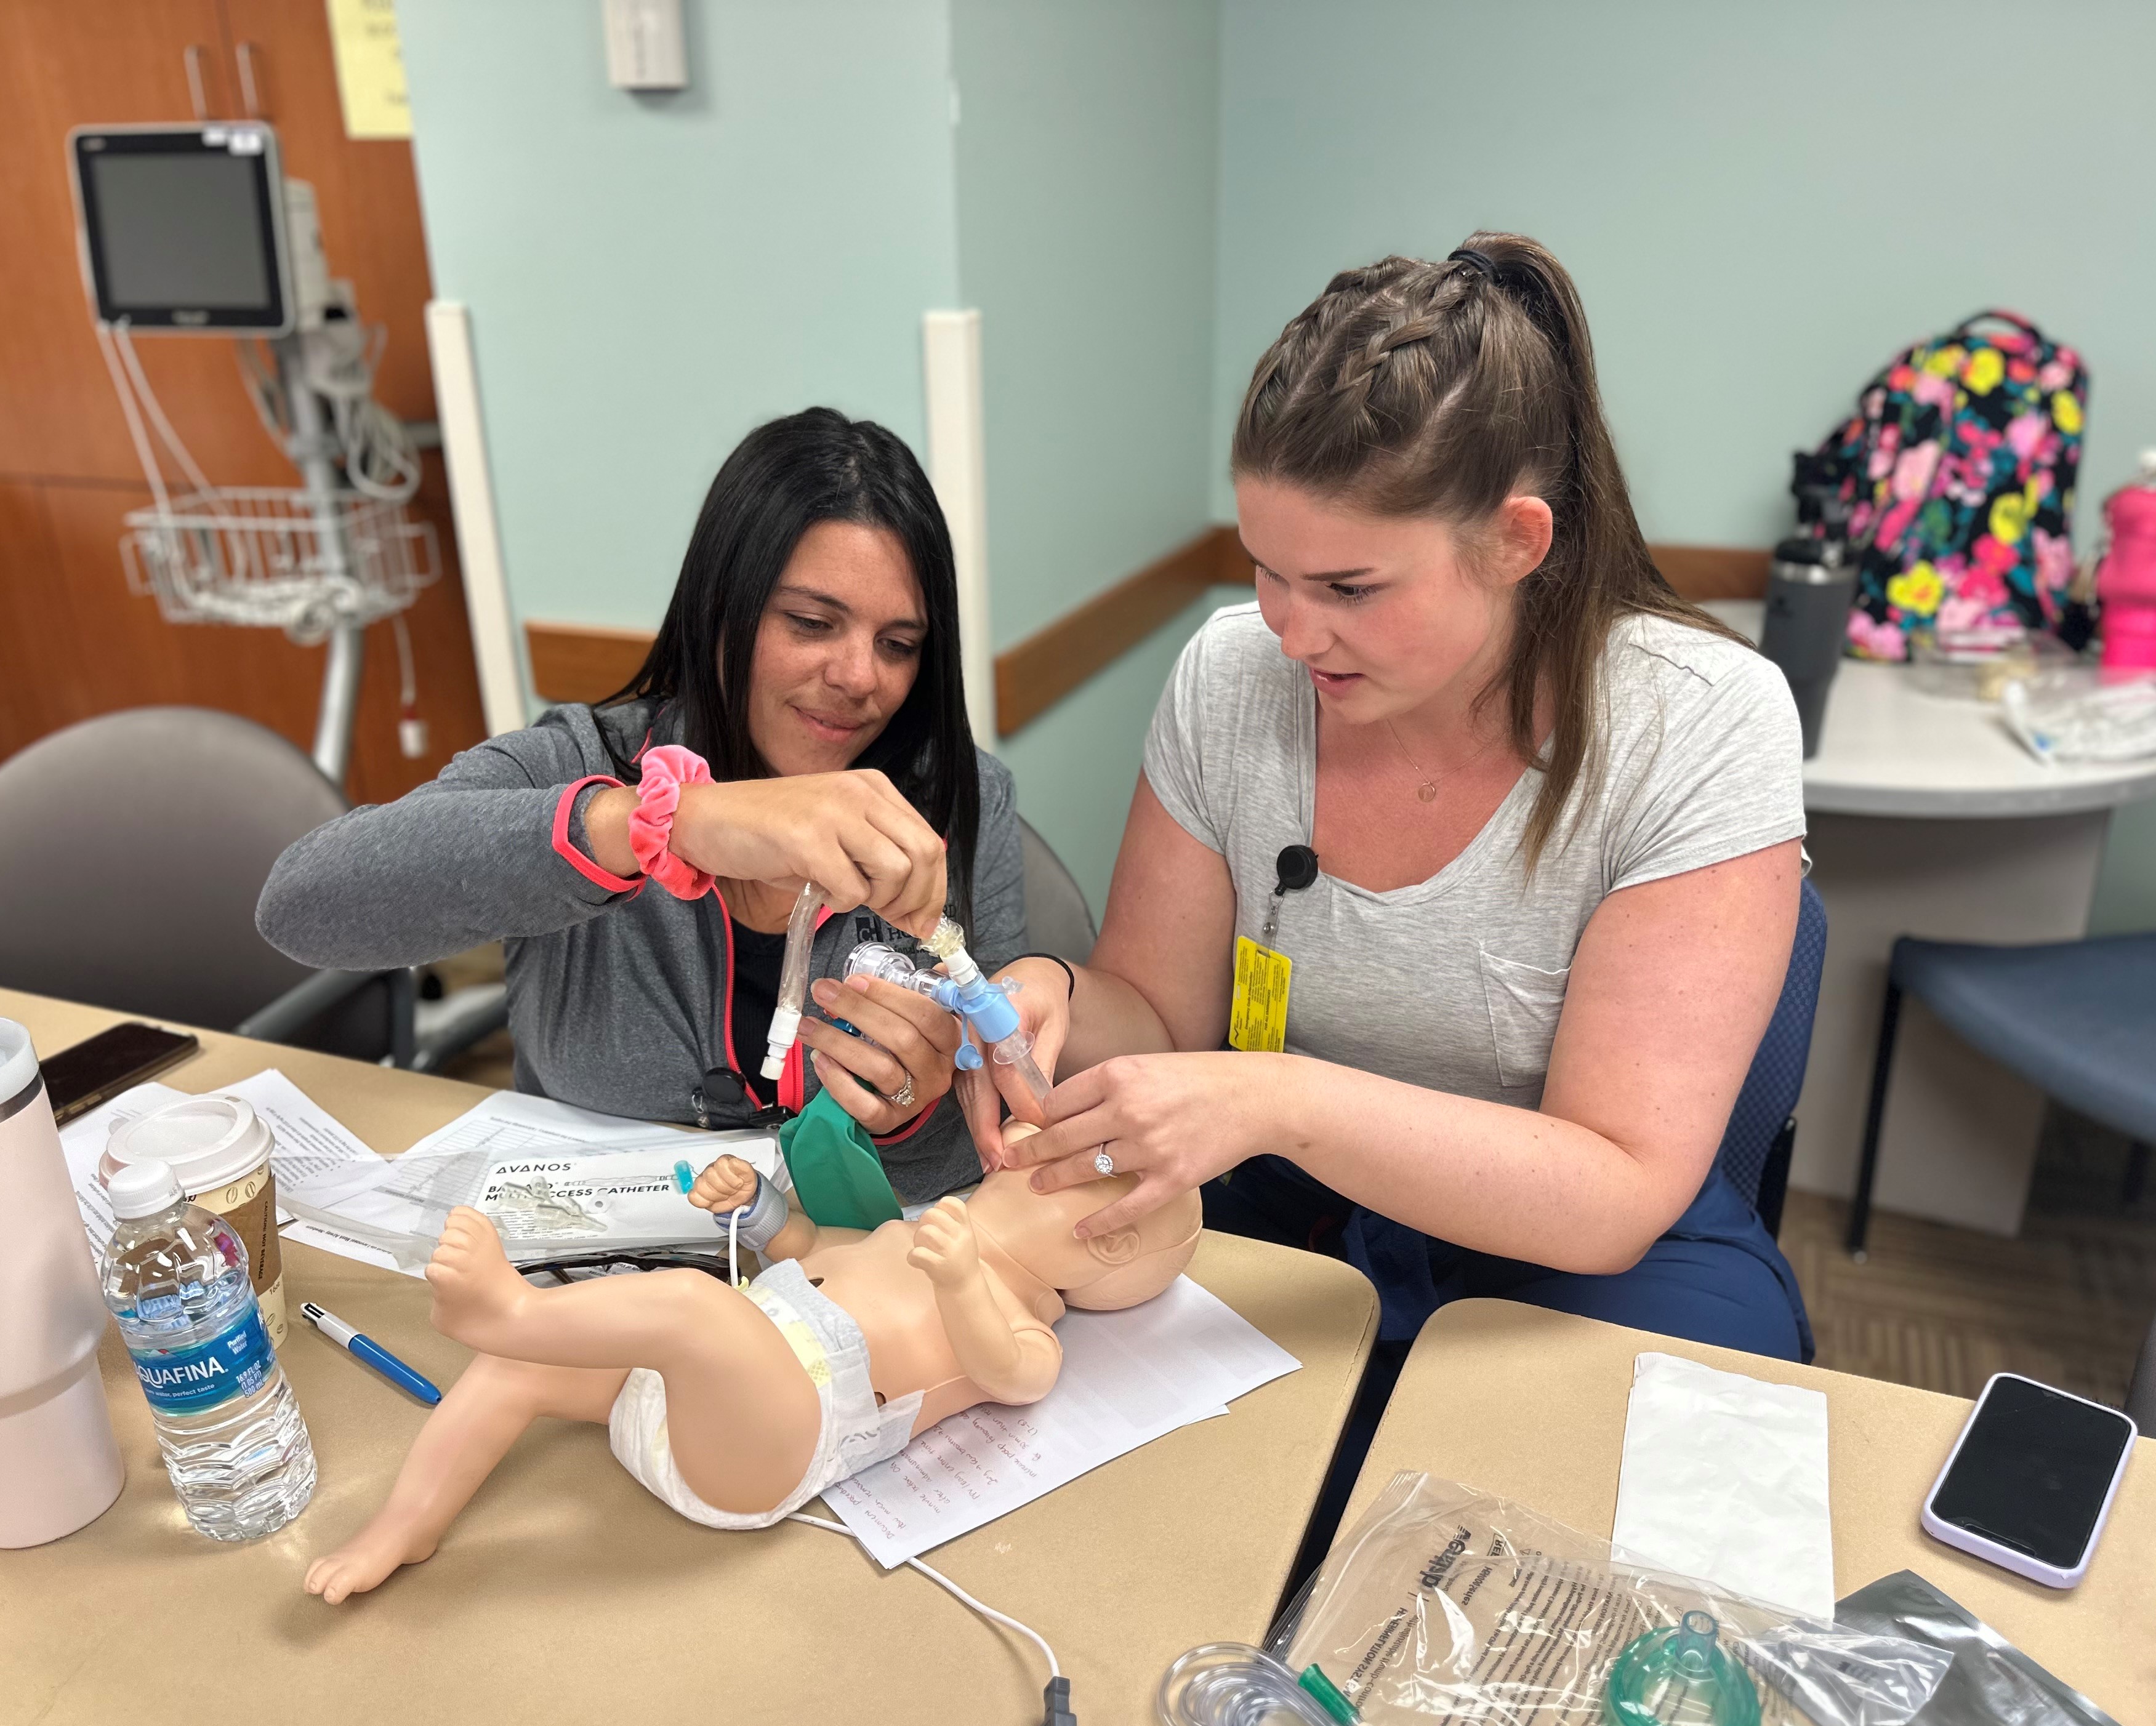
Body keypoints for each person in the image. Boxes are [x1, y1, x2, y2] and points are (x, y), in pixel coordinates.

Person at [977, 234, 1813, 1371]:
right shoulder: (1231, 678)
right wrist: (1059, 997)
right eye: (1266, 568)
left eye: (1349, 588)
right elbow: (1164, 1025)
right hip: (1294, 1215)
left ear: (1517, 542)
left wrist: (1280, 1101)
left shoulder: (1701, 722)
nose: (1291, 629)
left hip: (1585, 1257)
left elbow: (1613, 1187)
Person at [259, 409, 1021, 1202]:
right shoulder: (581, 760)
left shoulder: (960, 801)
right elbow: (300, 907)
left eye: (898, 644)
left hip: (838, 1284)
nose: (862, 677)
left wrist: (910, 1112)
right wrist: (662, 823)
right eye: (811, 623)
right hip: (587, 1278)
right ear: (720, 609)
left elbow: (985, 1140)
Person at [302, 1141, 1201, 1602]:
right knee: (512, 1371)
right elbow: (807, 1251)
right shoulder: (904, 1233)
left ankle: (513, 1309)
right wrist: (759, 1208)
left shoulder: (1021, 1317)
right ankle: (405, 1527)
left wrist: (965, 1279)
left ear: (1109, 1243)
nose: (1030, 1135)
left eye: (1070, 1164)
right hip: (694, 1390)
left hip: (775, 1442)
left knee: (695, 1308)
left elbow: (1013, 1377)